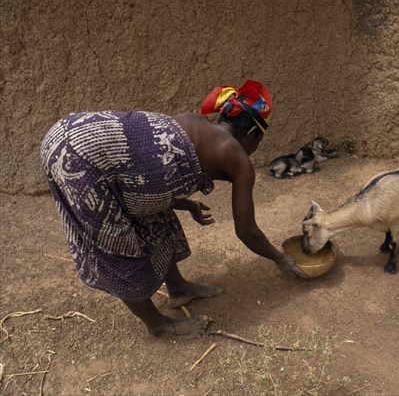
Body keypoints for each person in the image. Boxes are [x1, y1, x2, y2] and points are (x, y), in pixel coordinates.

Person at [40, 80, 305, 338]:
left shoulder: (195, 122)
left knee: (158, 217)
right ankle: (158, 325)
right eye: (259, 141)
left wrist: (186, 204)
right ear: (251, 135)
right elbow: (246, 230)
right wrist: (280, 258)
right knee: (119, 245)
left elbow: (145, 170)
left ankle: (178, 289)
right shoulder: (235, 155)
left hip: (70, 132)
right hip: (79, 161)